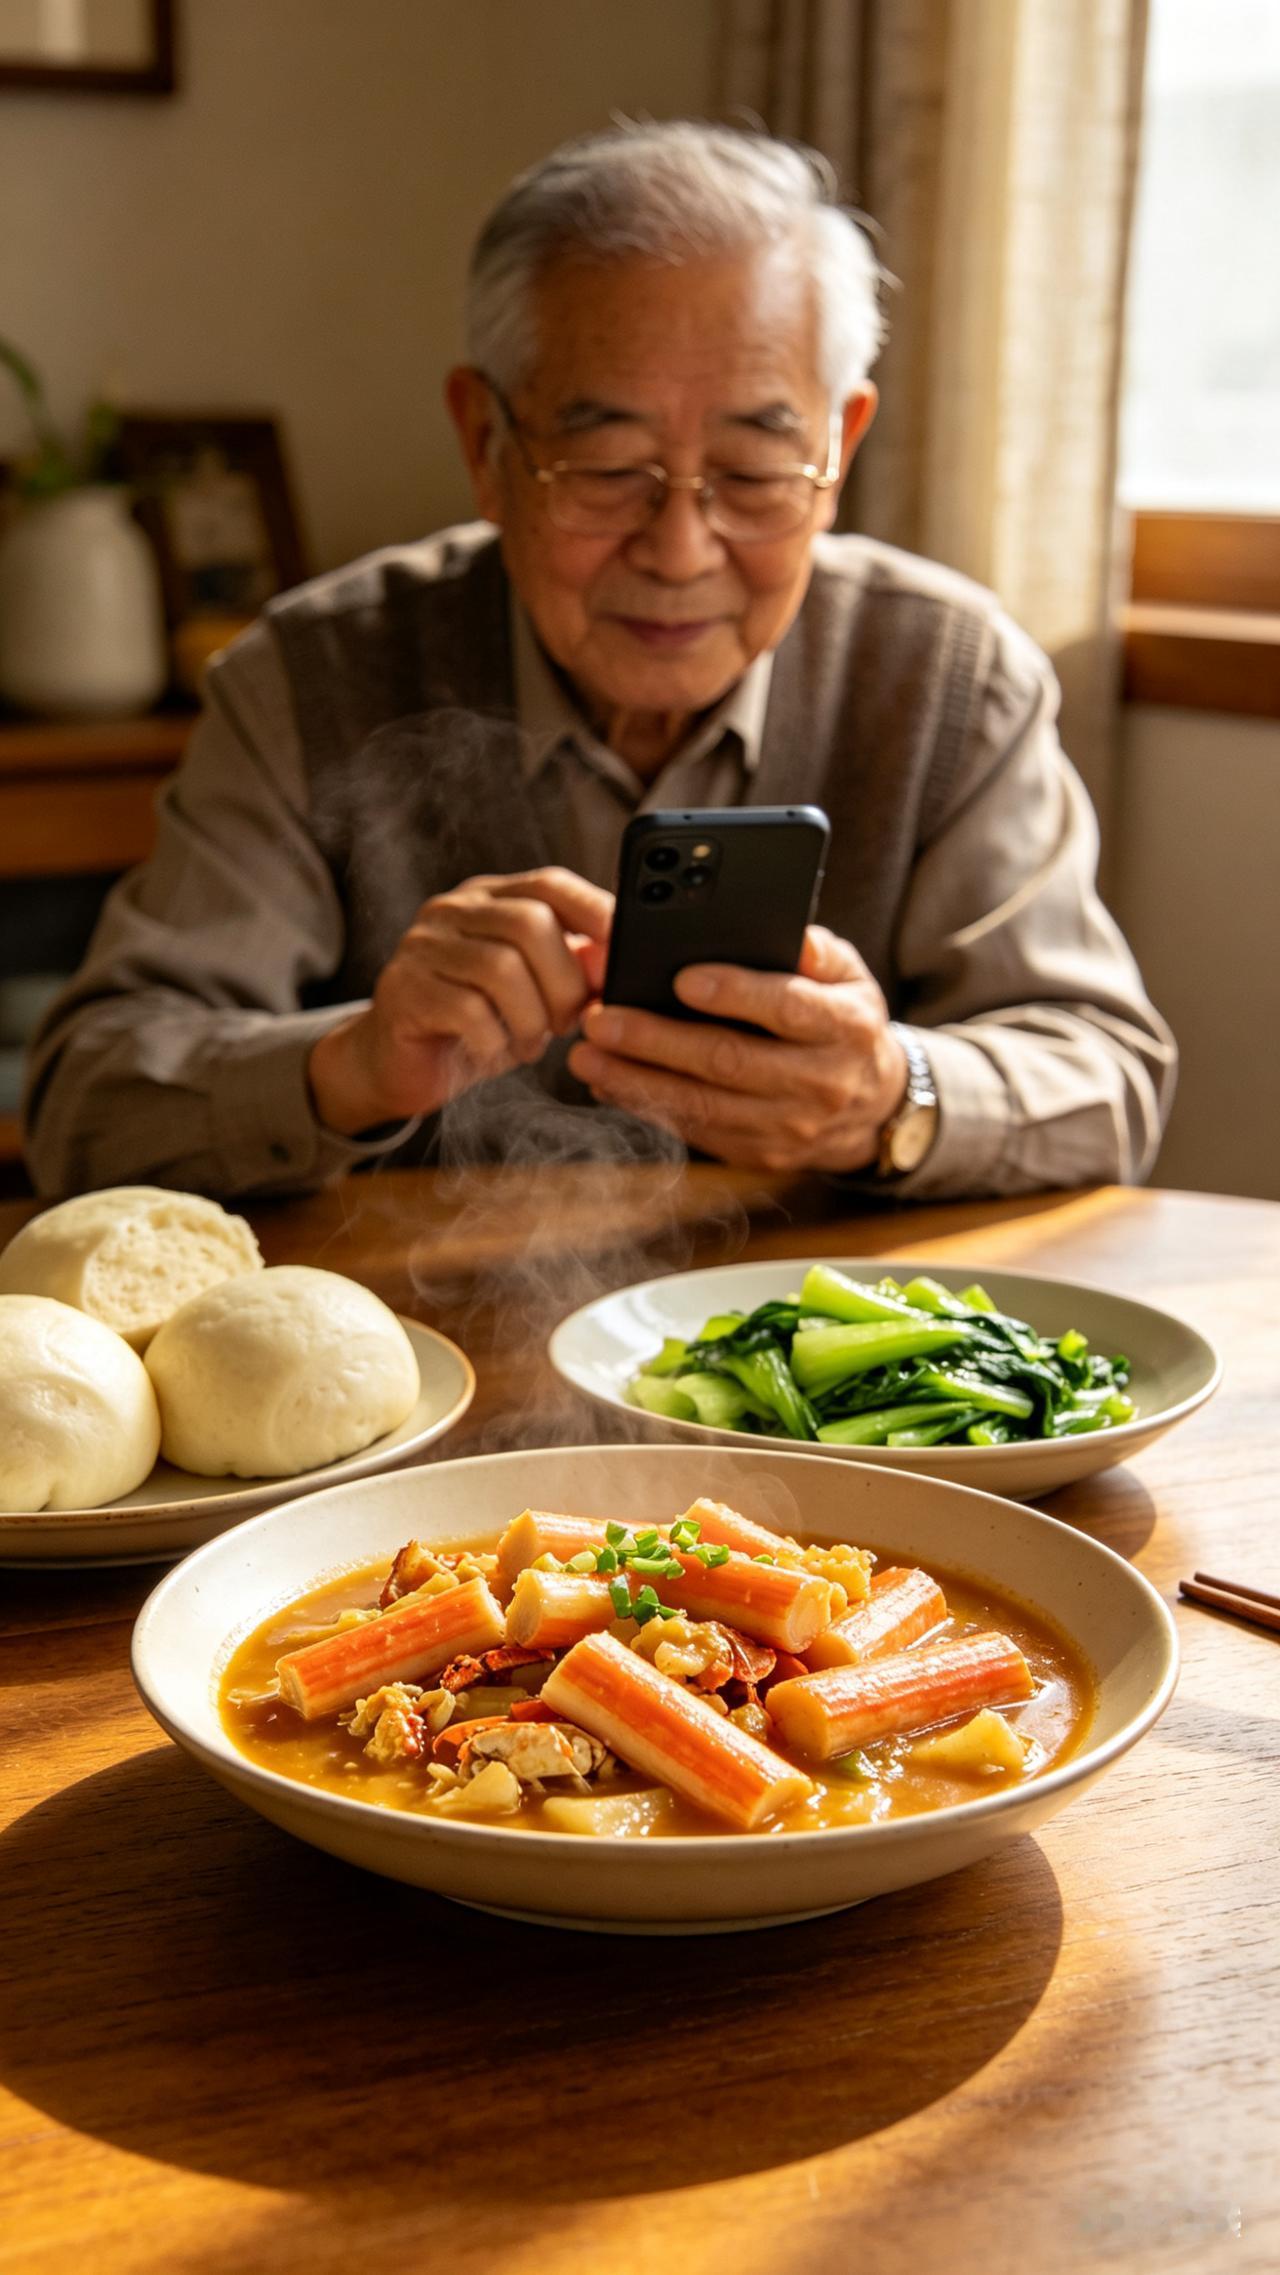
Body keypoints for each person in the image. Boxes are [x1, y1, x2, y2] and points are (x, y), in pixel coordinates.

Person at [24, 121, 1175, 1201]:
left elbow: (1104, 1079)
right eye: (607, 464)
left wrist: (891, 1099)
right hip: (429, 1372)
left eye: (754, 467)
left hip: (814, 1383)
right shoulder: (311, 678)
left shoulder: (946, 678)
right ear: (486, 444)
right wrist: (353, 1062)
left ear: (842, 440)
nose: (679, 551)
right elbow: (88, 1100)